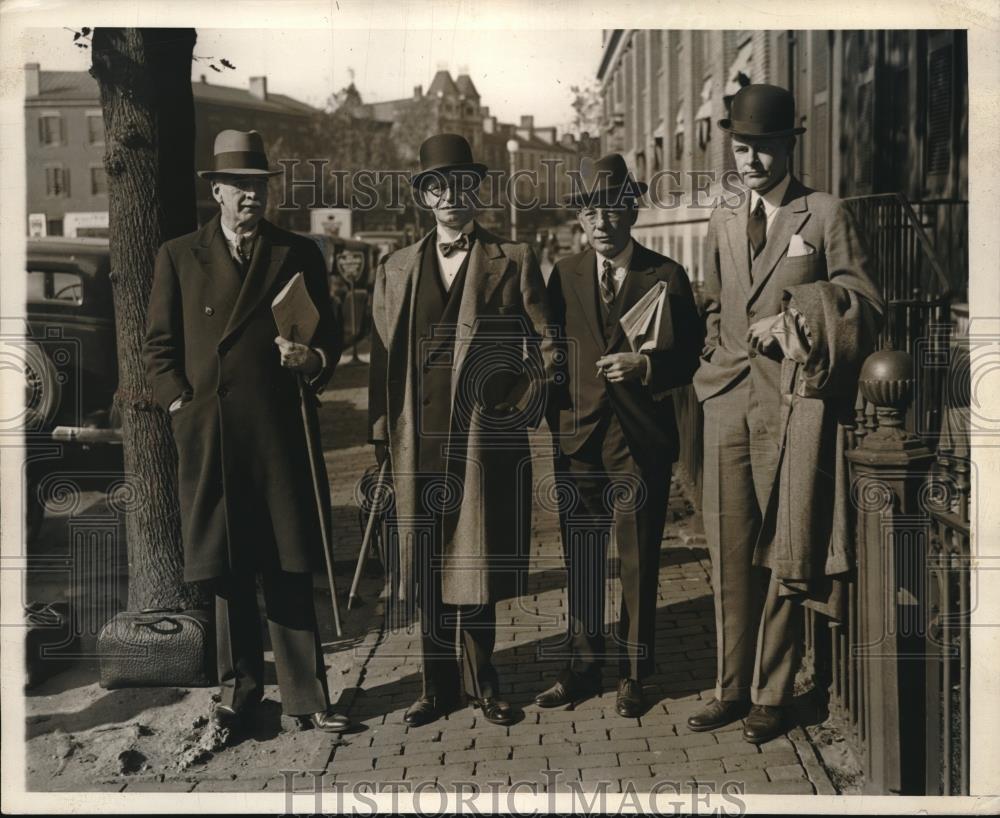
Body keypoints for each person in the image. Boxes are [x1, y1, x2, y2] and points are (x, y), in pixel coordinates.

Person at [688, 85, 883, 743]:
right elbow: (714, 300)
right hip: (725, 402)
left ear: (787, 146)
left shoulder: (823, 213)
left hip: (794, 406)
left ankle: (771, 693)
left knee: (781, 547)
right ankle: (729, 688)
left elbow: (863, 301)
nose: (751, 160)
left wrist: (798, 313)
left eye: (764, 148)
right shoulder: (721, 214)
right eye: (741, 148)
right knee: (729, 549)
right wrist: (713, 359)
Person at [144, 129, 351, 736]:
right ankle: (240, 694)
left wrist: (310, 362)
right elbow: (158, 347)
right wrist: (181, 402)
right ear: (215, 191)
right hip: (212, 432)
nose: (249, 197)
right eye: (237, 186)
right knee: (228, 566)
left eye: (258, 186)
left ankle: (307, 698)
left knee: (288, 561)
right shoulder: (179, 255)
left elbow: (331, 338)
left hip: (278, 428)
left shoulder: (298, 252)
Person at [367, 133, 556, 727]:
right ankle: (435, 686)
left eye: (462, 184)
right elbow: (381, 359)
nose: (451, 195)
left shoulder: (512, 259)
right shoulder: (396, 269)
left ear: (478, 190)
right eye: (438, 185)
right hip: (415, 443)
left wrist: (520, 402)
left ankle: (485, 685)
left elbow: (549, 343)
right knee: (425, 564)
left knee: (476, 561)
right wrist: (379, 437)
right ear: (424, 195)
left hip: (481, 441)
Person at [536, 153, 703, 717]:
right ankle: (582, 667)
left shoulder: (665, 275)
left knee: (638, 558)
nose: (601, 222)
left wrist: (647, 368)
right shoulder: (564, 273)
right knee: (581, 557)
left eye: (612, 208)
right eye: (589, 211)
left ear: (631, 209)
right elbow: (550, 344)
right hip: (578, 437)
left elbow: (685, 359)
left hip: (638, 440)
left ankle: (635, 672)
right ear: (579, 219)